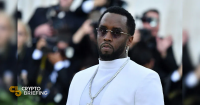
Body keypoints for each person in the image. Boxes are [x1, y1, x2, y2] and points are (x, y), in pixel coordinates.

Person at [67, 6, 164, 105]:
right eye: (103, 30)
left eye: (116, 32)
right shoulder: (79, 78)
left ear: (129, 40)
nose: (107, 37)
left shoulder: (146, 78)